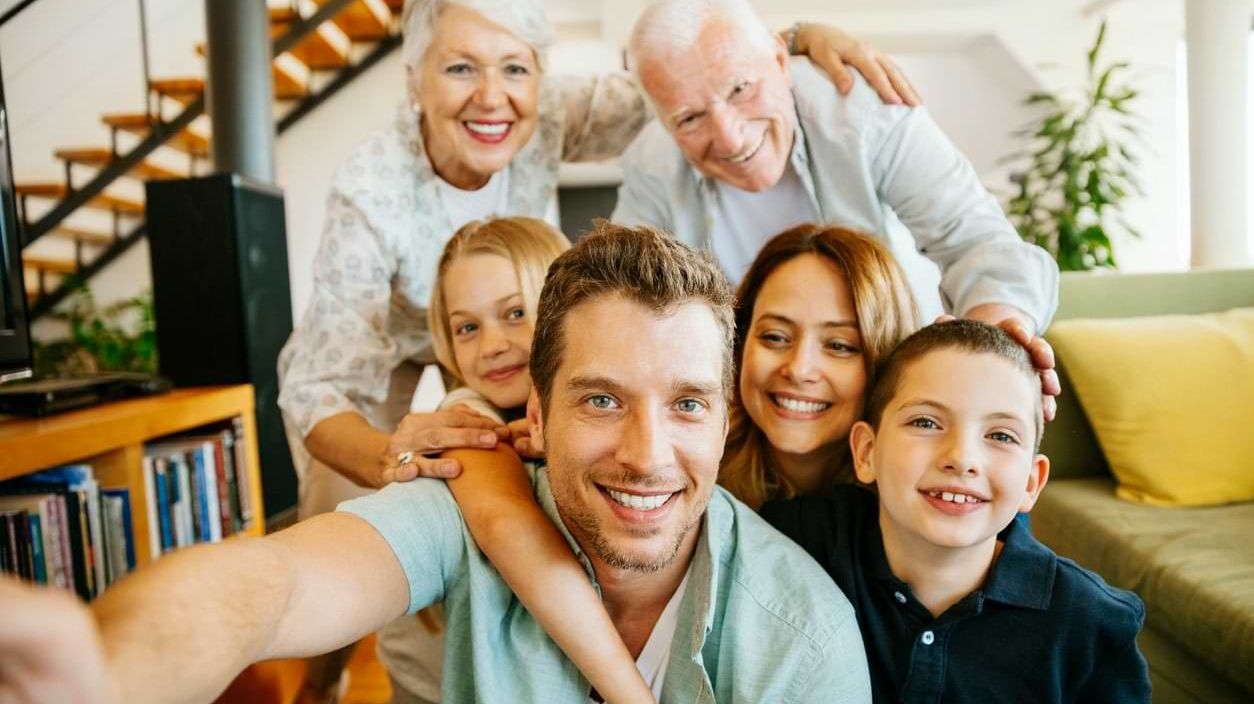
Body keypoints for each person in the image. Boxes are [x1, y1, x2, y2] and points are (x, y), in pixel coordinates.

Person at [275, 0, 908, 698]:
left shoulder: (548, 111)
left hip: (515, 323)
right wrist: (395, 456)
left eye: (515, 68)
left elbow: (681, 75)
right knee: (358, 498)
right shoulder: (371, 191)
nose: (491, 96)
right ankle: (324, 678)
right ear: (413, 79)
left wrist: (795, 39)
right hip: (391, 342)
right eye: (459, 69)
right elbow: (319, 388)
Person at [9, 224, 871, 704]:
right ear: (535, 417)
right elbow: (270, 586)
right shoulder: (468, 493)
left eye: (685, 405)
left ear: (725, 421)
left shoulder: (807, 644)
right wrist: (106, 670)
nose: (646, 456)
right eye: (601, 400)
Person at [612, 0, 1062, 416]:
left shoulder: (865, 111)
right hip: (758, 410)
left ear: (781, 60)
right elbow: (623, 294)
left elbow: (977, 240)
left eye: (741, 89)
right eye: (690, 118)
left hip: (894, 383)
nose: (730, 138)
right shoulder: (653, 162)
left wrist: (995, 339)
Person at [760, 320, 1151, 702]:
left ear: (1031, 483)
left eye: (1001, 435)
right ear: (866, 452)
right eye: (926, 422)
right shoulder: (804, 537)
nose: (962, 459)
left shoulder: (1090, 623)